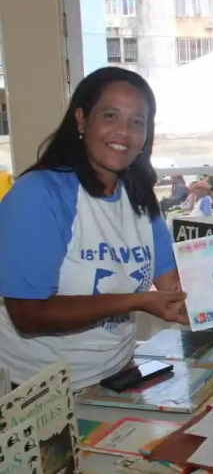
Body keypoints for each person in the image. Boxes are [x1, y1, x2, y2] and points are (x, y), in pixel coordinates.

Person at [0, 67, 188, 391]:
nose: (124, 132)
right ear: (81, 119)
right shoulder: (38, 194)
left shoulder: (140, 196)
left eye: (137, 122)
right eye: (110, 116)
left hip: (116, 374)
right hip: (37, 391)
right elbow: (28, 315)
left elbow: (176, 288)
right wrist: (134, 301)